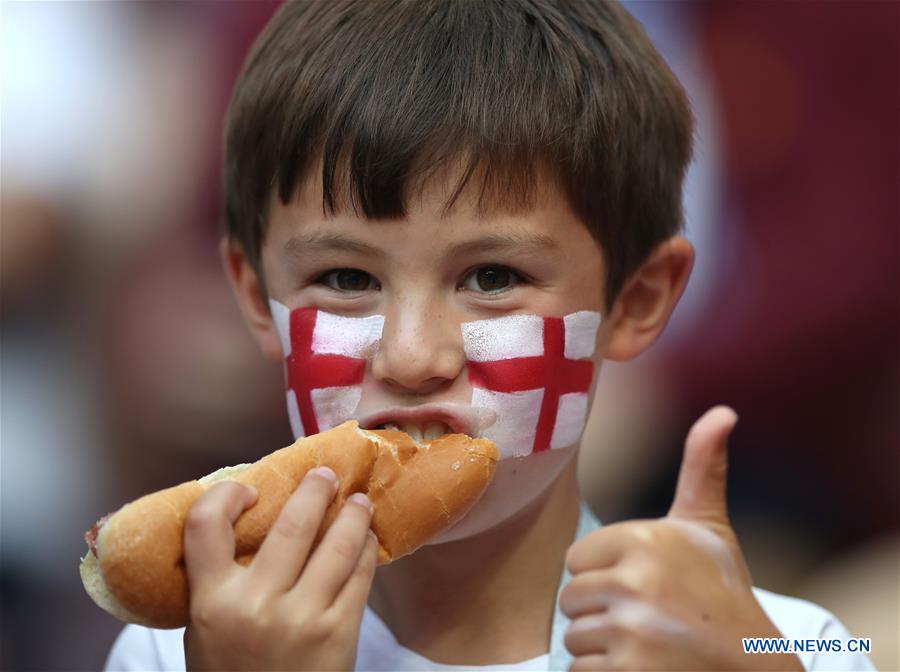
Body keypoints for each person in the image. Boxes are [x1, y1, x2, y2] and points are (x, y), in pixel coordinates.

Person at [103, 1, 875, 670]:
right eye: (345, 279)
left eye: (493, 278)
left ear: (636, 301)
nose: (411, 357)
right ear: (255, 296)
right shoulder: (183, 649)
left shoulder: (785, 642)